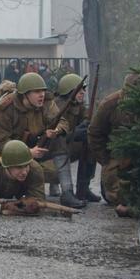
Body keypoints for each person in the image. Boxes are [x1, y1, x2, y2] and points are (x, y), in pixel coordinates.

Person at [0, 72, 70, 192]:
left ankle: (67, 192)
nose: (42, 95)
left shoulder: (47, 103)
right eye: (36, 92)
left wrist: (56, 130)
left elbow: (62, 121)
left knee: (59, 150)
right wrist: (27, 153)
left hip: (40, 147)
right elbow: (0, 142)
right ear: (25, 94)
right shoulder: (6, 108)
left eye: (43, 91)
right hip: (12, 155)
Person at [88, 74, 138, 214]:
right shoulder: (110, 104)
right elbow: (94, 132)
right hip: (117, 154)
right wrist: (105, 160)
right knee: (116, 197)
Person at [48, 74, 88, 208]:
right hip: (51, 150)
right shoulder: (57, 106)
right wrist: (74, 133)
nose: (83, 92)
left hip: (67, 147)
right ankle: (67, 191)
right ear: (69, 92)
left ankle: (83, 189)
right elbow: (55, 134)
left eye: (83, 89)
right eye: (79, 89)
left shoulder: (79, 105)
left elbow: (88, 120)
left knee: (90, 145)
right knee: (60, 143)